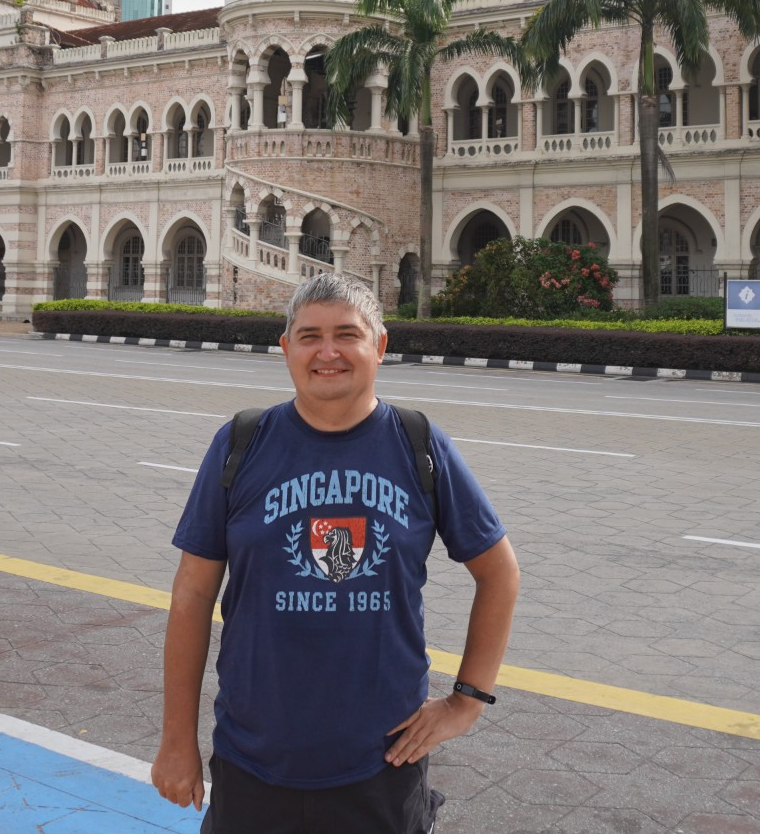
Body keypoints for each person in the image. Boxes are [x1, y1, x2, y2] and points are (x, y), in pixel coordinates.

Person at [154, 273, 520, 832]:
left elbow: (499, 572)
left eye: (347, 334)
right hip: (254, 761)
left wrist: (467, 701)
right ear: (286, 350)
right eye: (309, 336)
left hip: (380, 765)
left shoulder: (418, 443)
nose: (328, 352)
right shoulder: (241, 443)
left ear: (380, 345)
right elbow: (192, 594)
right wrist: (176, 741)